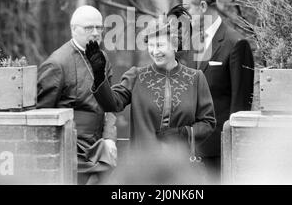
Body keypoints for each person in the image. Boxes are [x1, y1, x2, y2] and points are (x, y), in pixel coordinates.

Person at [84, 21, 216, 172]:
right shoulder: (136, 76)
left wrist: (183, 133)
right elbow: (112, 104)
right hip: (143, 169)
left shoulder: (195, 78)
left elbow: (208, 123)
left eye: (159, 45)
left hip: (181, 167)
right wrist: (100, 76)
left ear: (174, 45)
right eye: (151, 46)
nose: (154, 51)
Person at [181, 0, 254, 182]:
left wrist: (233, 147)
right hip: (190, 147)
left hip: (221, 151)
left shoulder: (236, 44)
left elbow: (240, 105)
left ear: (203, 7)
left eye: (186, 9)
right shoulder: (191, 41)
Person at [36, 5, 117, 185]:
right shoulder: (57, 64)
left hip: (99, 146)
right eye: (89, 28)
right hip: (71, 149)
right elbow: (41, 116)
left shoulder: (102, 58)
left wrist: (109, 138)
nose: (96, 33)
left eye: (99, 27)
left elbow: (110, 105)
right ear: (73, 29)